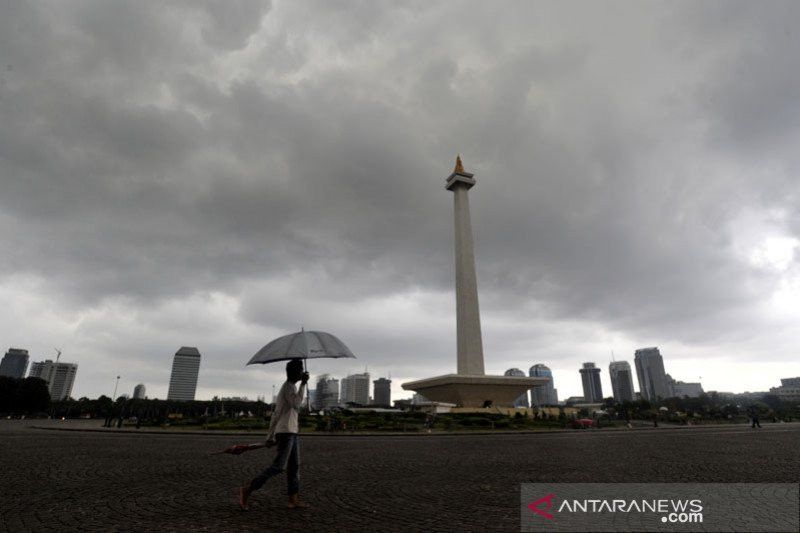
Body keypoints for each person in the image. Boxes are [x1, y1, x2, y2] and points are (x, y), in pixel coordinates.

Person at [238, 358, 309, 511]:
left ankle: (293, 500)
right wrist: (303, 384)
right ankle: (247, 489)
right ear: (295, 372)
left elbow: (279, 413)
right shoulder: (288, 388)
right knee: (278, 467)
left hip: (292, 432)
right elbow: (295, 404)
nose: (303, 372)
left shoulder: (291, 387)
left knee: (294, 467)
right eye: (300, 370)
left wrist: (270, 435)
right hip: (285, 433)